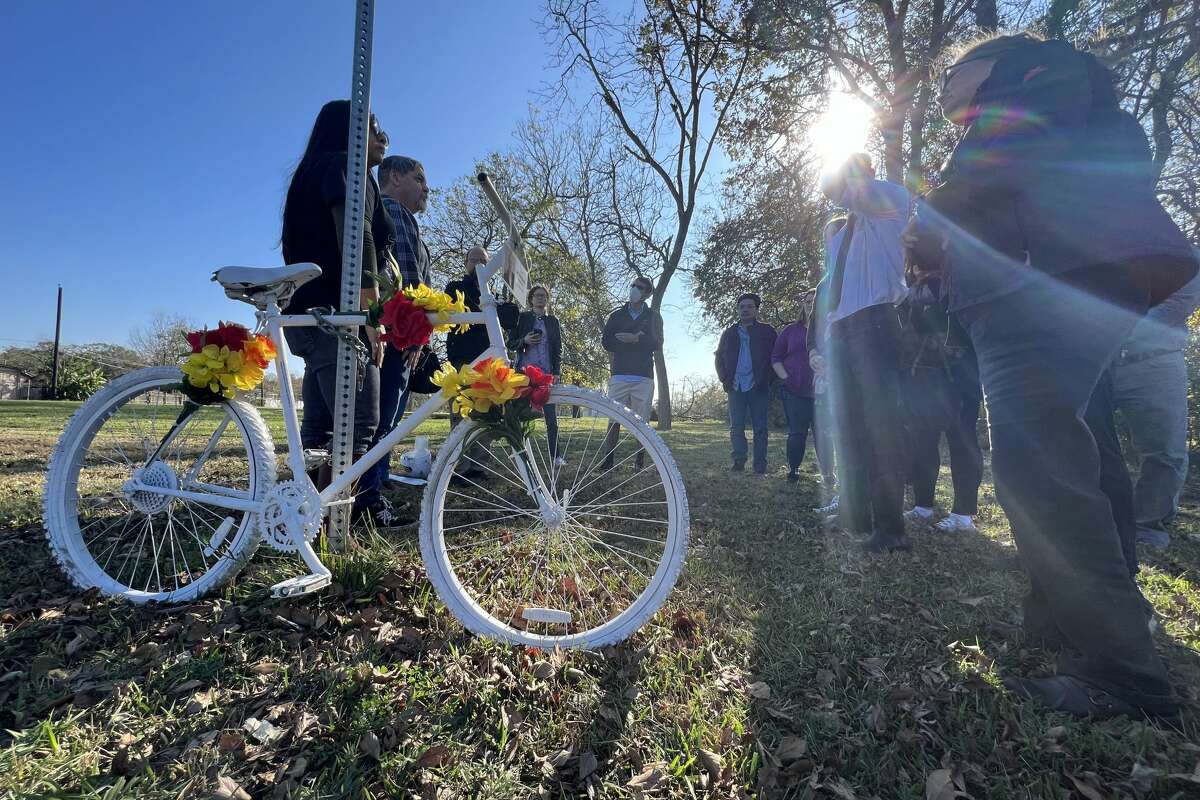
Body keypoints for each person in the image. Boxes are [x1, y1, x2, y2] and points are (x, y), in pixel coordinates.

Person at [905, 33, 1197, 718]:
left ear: (990, 64)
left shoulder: (1030, 84)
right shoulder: (1043, 98)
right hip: (1053, 288)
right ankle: (1065, 620)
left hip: (1038, 293)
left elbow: (987, 184)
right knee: (1078, 453)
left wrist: (932, 216)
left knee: (1038, 470)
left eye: (952, 77)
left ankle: (1122, 670)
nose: (944, 93)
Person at [281, 100, 389, 495]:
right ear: (352, 129)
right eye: (376, 128)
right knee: (359, 425)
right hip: (335, 316)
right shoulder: (345, 165)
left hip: (309, 314)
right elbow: (357, 233)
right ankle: (326, 525)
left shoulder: (314, 169)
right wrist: (371, 313)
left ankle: (299, 518)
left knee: (320, 428)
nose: (383, 139)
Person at [814, 153, 911, 553]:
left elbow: (848, 192)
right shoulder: (839, 233)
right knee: (849, 428)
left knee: (881, 428)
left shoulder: (891, 199)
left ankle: (891, 529)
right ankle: (857, 514)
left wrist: (848, 182)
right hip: (842, 330)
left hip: (876, 321)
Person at [356, 155, 432, 525]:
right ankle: (367, 502)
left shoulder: (393, 215)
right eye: (419, 179)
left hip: (397, 330)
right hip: (399, 331)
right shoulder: (396, 214)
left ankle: (376, 484)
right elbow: (411, 285)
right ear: (395, 177)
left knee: (387, 417)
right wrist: (417, 335)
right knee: (384, 419)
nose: (425, 188)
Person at [1111, 265, 1200, 549]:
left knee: (1166, 451)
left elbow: (1175, 306)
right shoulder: (1099, 244)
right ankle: (1088, 518)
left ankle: (1149, 527)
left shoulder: (1183, 254)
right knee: (1076, 438)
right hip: (1097, 360)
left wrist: (1105, 329)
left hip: (1156, 362)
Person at [898, 279, 983, 533]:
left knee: (962, 438)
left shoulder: (959, 279)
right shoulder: (913, 287)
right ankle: (923, 506)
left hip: (961, 369)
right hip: (925, 372)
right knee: (923, 438)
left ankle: (964, 513)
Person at [446, 247, 520, 477]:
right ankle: (459, 466)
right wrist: (489, 308)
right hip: (464, 360)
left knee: (486, 412)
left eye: (483, 260)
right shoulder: (455, 287)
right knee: (460, 414)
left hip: (489, 362)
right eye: (473, 259)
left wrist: (499, 306)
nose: (478, 264)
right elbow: (459, 308)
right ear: (466, 262)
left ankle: (479, 466)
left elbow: (510, 320)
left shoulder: (495, 293)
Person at [600, 276, 664, 470]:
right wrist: (624, 341)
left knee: (641, 422)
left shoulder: (653, 317)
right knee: (614, 418)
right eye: (633, 285)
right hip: (619, 374)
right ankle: (609, 460)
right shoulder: (617, 315)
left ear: (646, 293)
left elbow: (658, 343)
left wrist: (637, 340)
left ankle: (639, 459)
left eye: (640, 287)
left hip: (643, 376)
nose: (635, 289)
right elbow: (606, 342)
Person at [771, 291, 833, 486]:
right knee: (797, 432)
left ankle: (828, 474)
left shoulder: (832, 328)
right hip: (794, 391)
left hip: (823, 391)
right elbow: (776, 357)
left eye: (816, 301)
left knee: (823, 432)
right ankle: (793, 469)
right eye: (808, 301)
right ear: (803, 305)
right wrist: (785, 377)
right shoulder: (791, 330)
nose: (811, 305)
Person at [715, 294, 778, 474]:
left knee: (760, 428)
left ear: (756, 310)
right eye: (742, 307)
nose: (745, 309)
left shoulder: (767, 331)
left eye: (749, 306)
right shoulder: (729, 333)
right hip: (735, 387)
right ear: (738, 310)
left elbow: (777, 357)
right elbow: (719, 357)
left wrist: (767, 379)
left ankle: (760, 466)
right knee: (736, 427)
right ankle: (739, 462)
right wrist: (725, 379)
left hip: (758, 387)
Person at [509, 285, 564, 465]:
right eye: (537, 296)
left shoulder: (553, 321)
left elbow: (557, 348)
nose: (541, 299)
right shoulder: (522, 318)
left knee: (551, 417)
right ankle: (520, 456)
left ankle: (556, 456)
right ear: (531, 299)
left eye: (544, 296)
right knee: (520, 414)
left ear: (547, 300)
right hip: (525, 373)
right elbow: (511, 343)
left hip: (546, 373)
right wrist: (524, 341)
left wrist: (556, 371)